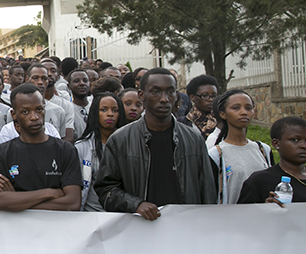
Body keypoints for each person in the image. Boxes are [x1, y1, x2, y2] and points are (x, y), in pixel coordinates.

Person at [94, 68, 217, 219]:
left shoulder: (193, 139)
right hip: (140, 229)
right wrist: (136, 204)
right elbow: (106, 190)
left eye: (170, 92)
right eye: (156, 92)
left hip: (186, 227)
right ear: (141, 95)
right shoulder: (120, 140)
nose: (164, 99)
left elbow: (208, 191)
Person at [0, 84, 82, 212]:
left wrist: (16, 200)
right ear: (14, 114)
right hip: (16, 229)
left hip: (56, 228)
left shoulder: (65, 150)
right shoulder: (3, 152)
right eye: (25, 112)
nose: (34, 117)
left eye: (39, 109)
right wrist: (50, 193)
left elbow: (72, 203)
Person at [207, 90, 273, 204]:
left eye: (248, 108)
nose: (243, 112)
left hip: (262, 217)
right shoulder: (216, 155)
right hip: (231, 218)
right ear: (223, 114)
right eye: (236, 108)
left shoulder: (263, 150)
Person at [238, 117, 306, 205]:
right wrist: (266, 209)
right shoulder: (259, 181)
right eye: (295, 140)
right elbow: (243, 216)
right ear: (276, 144)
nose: (305, 146)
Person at [75, 93, 127, 211]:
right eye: (104, 110)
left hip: (122, 216)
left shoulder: (129, 144)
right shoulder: (81, 147)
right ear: (94, 113)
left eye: (115, 110)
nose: (110, 114)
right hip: (91, 214)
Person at [183, 74, 220, 139]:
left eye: (214, 96)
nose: (211, 99)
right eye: (205, 96)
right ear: (192, 97)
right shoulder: (183, 124)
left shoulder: (223, 121)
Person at [68, 69, 91, 139]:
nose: (82, 83)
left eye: (85, 80)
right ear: (69, 86)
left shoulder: (96, 106)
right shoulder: (67, 110)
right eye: (76, 81)